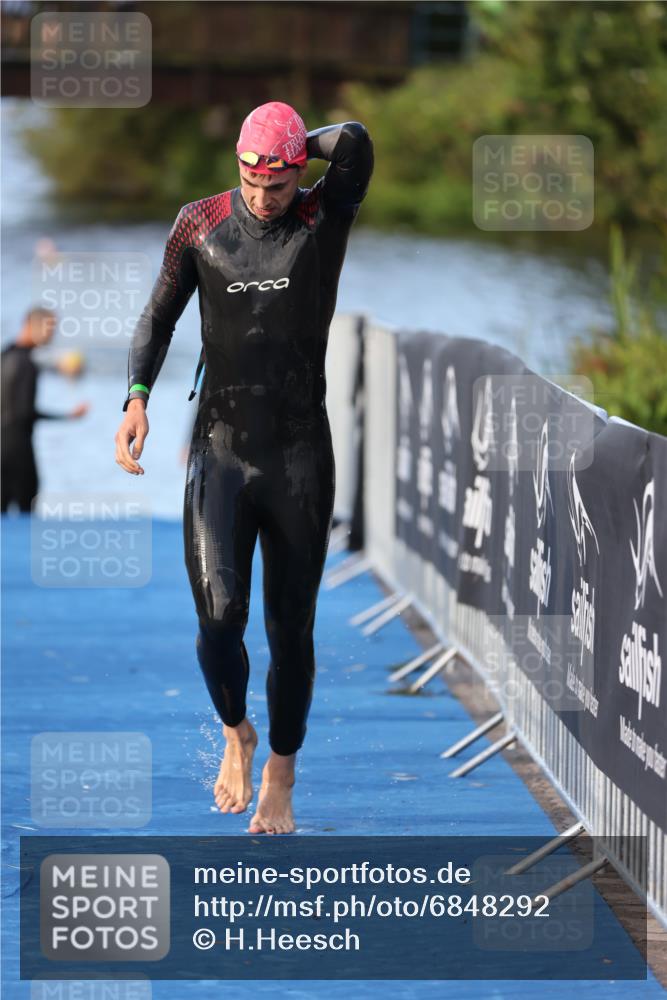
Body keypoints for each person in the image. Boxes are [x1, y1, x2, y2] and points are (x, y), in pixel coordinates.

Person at [115, 101, 373, 834]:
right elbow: (157, 318)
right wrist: (136, 399)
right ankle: (237, 733)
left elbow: (352, 142)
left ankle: (281, 775)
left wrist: (294, 139)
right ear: (236, 166)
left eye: (280, 185)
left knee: (291, 629)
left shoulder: (323, 219)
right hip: (220, 451)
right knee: (219, 617)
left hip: (298, 456)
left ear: (298, 173)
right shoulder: (198, 223)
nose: (265, 200)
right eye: (253, 182)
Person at [1, 307, 88, 513]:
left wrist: (58, 368)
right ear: (31, 326)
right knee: (25, 512)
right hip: (17, 449)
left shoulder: (6, 354)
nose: (51, 335)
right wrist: (68, 416)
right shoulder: (27, 364)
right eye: (48, 329)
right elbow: (24, 413)